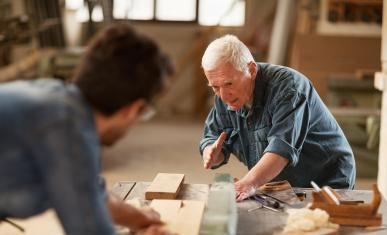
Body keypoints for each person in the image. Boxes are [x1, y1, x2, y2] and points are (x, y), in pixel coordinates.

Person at [0, 24, 173, 235]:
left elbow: (90, 191)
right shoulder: (66, 128)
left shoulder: (56, 99)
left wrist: (140, 219)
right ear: (134, 108)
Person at [198, 35, 356, 201]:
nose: (223, 96)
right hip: (282, 183)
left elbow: (281, 149)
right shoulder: (226, 96)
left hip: (326, 180)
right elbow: (213, 137)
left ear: (251, 70)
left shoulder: (289, 88)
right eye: (215, 87)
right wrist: (212, 153)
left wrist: (248, 184)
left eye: (229, 84)